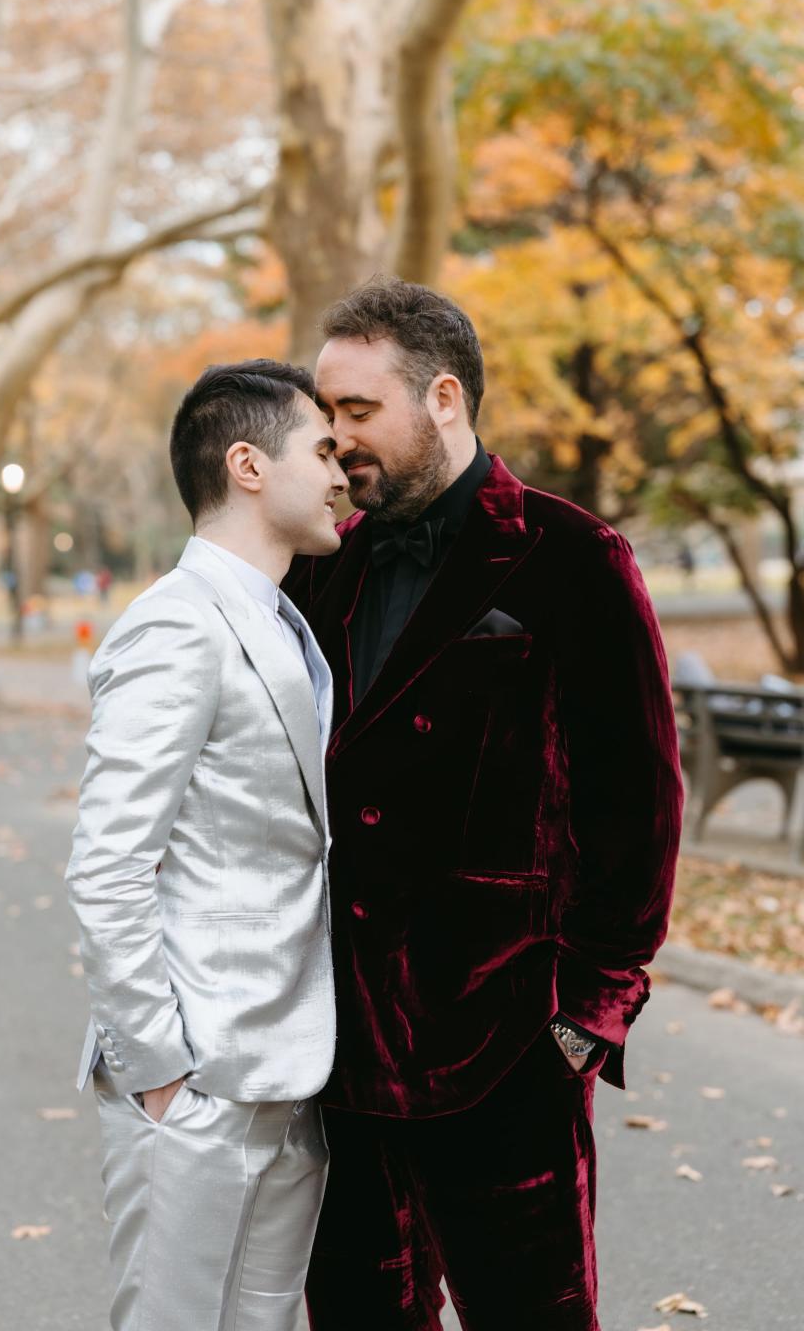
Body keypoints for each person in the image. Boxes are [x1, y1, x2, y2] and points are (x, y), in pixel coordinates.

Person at [282, 278, 684, 1331]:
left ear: (445, 400)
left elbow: (638, 801)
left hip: (506, 1043)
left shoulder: (574, 558)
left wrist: (587, 1017)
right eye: (324, 416)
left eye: (358, 412)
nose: (334, 441)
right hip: (338, 1045)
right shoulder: (321, 567)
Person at [66, 359, 349, 1331]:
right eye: (322, 449)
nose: (343, 471)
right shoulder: (174, 626)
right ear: (249, 465)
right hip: (196, 1084)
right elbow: (107, 864)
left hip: (290, 1073)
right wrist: (161, 1074)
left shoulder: (287, 622)